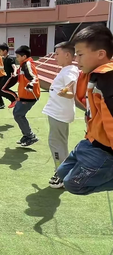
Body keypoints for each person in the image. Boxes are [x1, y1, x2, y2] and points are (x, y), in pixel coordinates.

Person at [57, 24, 113, 195]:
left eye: (80, 55)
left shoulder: (108, 80)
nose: (76, 60)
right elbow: (80, 96)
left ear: (101, 54)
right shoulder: (91, 75)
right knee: (61, 173)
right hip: (89, 141)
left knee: (73, 184)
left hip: (104, 149)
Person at [42, 41, 80, 189]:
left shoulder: (70, 70)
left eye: (57, 54)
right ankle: (63, 172)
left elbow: (70, 92)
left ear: (68, 55)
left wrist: (64, 92)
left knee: (56, 144)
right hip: (57, 112)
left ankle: (61, 175)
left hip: (59, 113)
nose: (55, 57)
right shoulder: (67, 69)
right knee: (59, 144)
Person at [14, 45, 40, 147]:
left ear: (24, 56)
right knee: (18, 114)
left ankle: (30, 136)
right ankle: (27, 135)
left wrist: (30, 84)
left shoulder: (27, 64)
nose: (17, 58)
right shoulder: (23, 64)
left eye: (18, 56)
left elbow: (34, 77)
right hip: (24, 95)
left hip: (29, 96)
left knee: (18, 114)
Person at [0, 44, 18, 109]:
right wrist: (0, 68)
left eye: (0, 51)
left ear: (5, 51)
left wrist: (15, 72)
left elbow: (14, 66)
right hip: (7, 76)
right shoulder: (5, 59)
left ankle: (15, 99)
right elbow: (6, 67)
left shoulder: (10, 58)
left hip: (11, 77)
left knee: (1, 89)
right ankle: (13, 100)